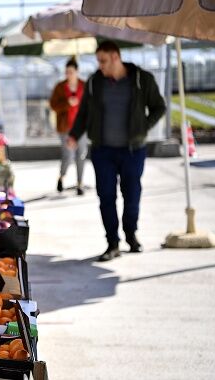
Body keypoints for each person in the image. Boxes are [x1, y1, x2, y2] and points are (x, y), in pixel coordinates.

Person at [67, 40, 166, 262]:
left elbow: (160, 107)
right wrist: (74, 135)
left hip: (133, 150)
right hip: (103, 151)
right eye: (98, 61)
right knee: (106, 197)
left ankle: (131, 234)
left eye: (103, 60)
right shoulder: (95, 82)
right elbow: (83, 112)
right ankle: (112, 242)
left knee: (132, 194)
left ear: (115, 57)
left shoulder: (141, 79)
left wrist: (144, 127)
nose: (100, 65)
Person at [49, 56, 87, 195]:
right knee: (68, 155)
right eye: (67, 72)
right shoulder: (60, 87)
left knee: (81, 155)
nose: (68, 75)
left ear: (77, 72)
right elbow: (53, 105)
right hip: (65, 127)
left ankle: (79, 183)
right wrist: (67, 103)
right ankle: (61, 177)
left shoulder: (84, 86)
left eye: (71, 72)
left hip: (81, 127)